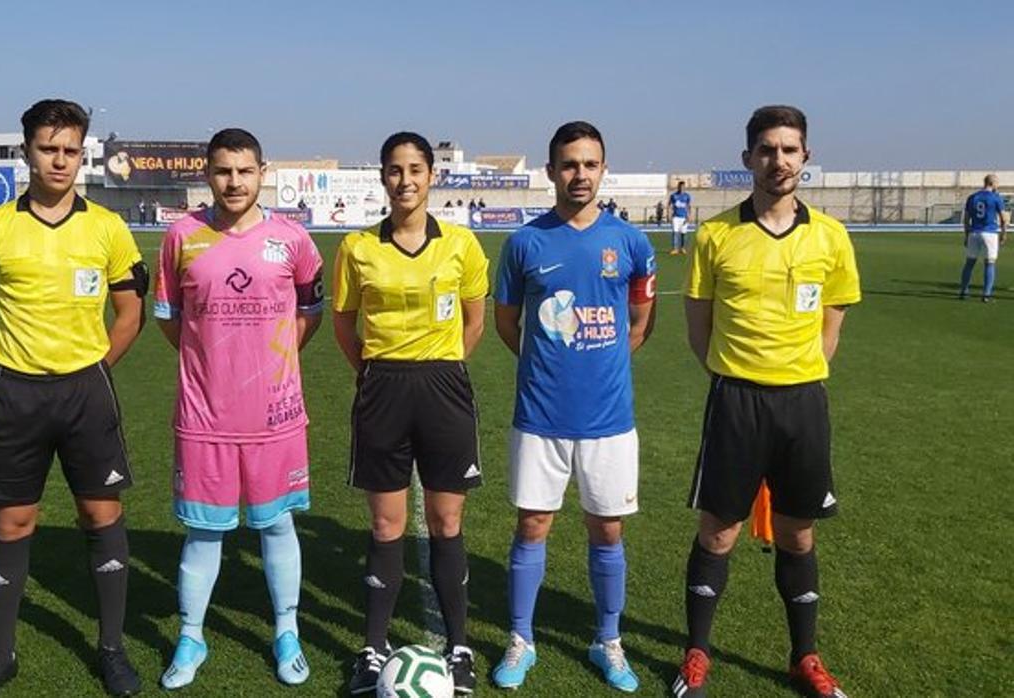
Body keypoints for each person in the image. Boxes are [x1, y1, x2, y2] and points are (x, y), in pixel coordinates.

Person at [0, 99, 147, 698]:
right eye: (48, 148)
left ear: (81, 153)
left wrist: (89, 366)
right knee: (12, 522)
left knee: (101, 514)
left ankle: (111, 649)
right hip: (16, 393)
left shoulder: (107, 228)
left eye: (70, 150)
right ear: (27, 151)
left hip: (87, 392)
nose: (59, 161)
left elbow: (130, 310)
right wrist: (24, 361)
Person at [674, 105, 860, 698]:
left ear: (804, 156)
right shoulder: (715, 235)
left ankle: (804, 657)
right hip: (736, 402)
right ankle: (696, 654)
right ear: (748, 158)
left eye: (789, 149)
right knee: (718, 534)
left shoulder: (830, 236)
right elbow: (698, 327)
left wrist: (800, 372)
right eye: (766, 150)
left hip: (802, 403)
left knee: (798, 535)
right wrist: (737, 374)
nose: (777, 160)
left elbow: (832, 325)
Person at [154, 128, 325, 690]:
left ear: (262, 172)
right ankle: (191, 636)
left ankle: (286, 631)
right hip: (206, 418)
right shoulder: (182, 236)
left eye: (244, 171)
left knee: (277, 525)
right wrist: (214, 363)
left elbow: (310, 310)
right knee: (203, 534)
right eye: (224, 171)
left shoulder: (293, 239)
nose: (234, 181)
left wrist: (270, 361)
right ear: (208, 173)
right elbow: (170, 320)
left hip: (275, 417)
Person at [490, 121, 657, 692]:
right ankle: (521, 639)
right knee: (532, 524)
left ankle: (608, 640)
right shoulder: (524, 244)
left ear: (603, 169)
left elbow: (638, 324)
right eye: (568, 164)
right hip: (541, 416)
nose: (579, 174)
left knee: (607, 530)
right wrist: (549, 364)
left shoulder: (631, 243)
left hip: (609, 418)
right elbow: (508, 325)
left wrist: (600, 364)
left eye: (589, 163)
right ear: (551, 171)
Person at [333, 132, 488, 695]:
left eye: (416, 169)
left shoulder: (462, 245)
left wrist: (440, 365)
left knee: (447, 523)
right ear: (383, 177)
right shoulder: (356, 248)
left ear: (431, 176)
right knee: (386, 525)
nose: (406, 180)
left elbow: (474, 321)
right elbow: (345, 324)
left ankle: (460, 646)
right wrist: (378, 370)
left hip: (444, 388)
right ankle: (373, 648)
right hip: (382, 390)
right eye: (395, 170)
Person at [958, 174, 1006, 302]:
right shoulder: (996, 198)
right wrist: (1003, 233)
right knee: (989, 264)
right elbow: (1003, 218)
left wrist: (966, 235)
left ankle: (963, 291)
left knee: (969, 263)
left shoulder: (972, 197)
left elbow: (966, 219)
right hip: (989, 233)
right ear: (992, 183)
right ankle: (986, 295)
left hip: (974, 232)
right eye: (997, 183)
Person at [669, 181, 693, 255]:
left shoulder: (687, 196)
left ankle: (683, 248)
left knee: (683, 233)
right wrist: (669, 215)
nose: (681, 188)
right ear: (678, 187)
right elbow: (669, 205)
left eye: (683, 187)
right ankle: (675, 249)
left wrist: (689, 216)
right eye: (680, 187)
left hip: (684, 217)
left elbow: (688, 206)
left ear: (684, 187)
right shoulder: (673, 195)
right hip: (676, 217)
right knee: (675, 232)